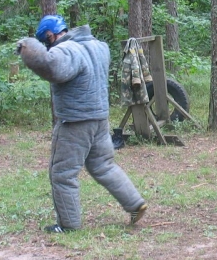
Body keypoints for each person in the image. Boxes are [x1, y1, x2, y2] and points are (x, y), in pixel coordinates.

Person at [16, 14, 147, 233]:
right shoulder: (98, 47)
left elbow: (50, 66)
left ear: (50, 35)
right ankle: (135, 203)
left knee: (62, 174)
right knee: (103, 165)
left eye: (46, 41)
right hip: (99, 119)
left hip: (75, 123)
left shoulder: (67, 51)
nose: (48, 46)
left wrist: (27, 46)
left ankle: (68, 225)